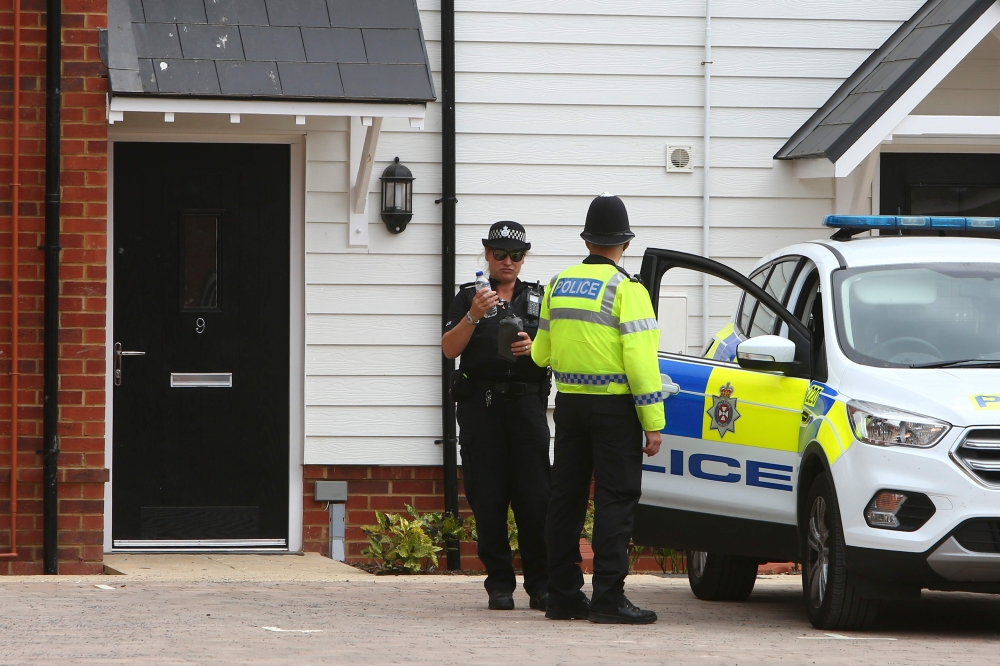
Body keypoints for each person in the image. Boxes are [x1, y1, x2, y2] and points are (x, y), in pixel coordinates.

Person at [531, 193, 664, 624]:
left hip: (569, 405)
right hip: (614, 410)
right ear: (625, 243)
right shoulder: (628, 289)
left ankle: (563, 595)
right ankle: (608, 597)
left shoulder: (557, 284)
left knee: (565, 499)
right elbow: (641, 363)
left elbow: (539, 354)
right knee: (615, 500)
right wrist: (653, 423)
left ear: (587, 240)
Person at [442, 221, 552, 611]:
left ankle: (541, 585)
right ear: (488, 255)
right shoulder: (468, 297)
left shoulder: (541, 298)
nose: (508, 261)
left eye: (516, 255)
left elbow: (559, 351)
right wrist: (473, 315)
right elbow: (449, 349)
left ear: (524, 258)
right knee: (487, 499)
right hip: (482, 408)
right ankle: (500, 584)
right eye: (500, 254)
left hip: (526, 407)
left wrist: (535, 348)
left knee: (535, 500)